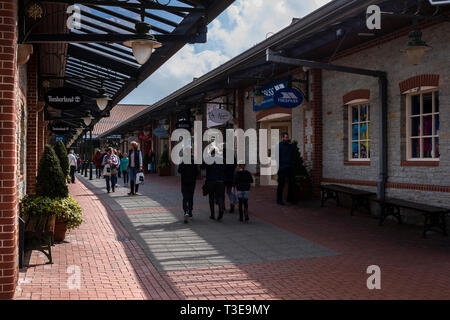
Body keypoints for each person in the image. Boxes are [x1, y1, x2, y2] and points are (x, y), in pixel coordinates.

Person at [201, 147, 225, 221]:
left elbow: (202, 167)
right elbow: (225, 168)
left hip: (211, 180)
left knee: (211, 197)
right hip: (220, 180)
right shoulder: (222, 158)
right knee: (220, 196)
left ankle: (212, 214)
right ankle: (221, 208)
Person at [178, 150, 199, 223]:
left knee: (185, 198)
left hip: (184, 182)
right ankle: (190, 212)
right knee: (191, 197)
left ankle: (185, 212)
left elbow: (179, 171)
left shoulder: (182, 160)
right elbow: (197, 172)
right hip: (192, 182)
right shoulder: (194, 160)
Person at [276, 132, 295, 205]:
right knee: (281, 184)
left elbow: (293, 153)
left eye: (287, 137)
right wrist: (279, 167)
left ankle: (290, 199)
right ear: (282, 138)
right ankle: (279, 200)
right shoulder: (279, 145)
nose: (287, 138)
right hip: (282, 168)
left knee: (291, 183)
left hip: (290, 167)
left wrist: (292, 145)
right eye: (285, 137)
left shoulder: (290, 145)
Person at [223, 148, 237, 213]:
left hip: (223, 177)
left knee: (222, 192)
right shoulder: (233, 159)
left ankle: (222, 205)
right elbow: (235, 166)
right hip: (231, 177)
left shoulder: (223, 159)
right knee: (229, 191)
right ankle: (232, 203)